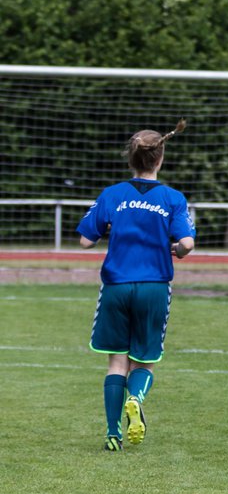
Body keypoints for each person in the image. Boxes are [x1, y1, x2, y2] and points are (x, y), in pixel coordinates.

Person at [77, 120, 195, 451]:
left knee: (116, 361)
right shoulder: (173, 198)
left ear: (131, 158)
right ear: (160, 159)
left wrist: (110, 227)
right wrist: (175, 249)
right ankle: (137, 397)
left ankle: (112, 432)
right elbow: (186, 243)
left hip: (116, 285)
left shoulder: (112, 194)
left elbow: (86, 240)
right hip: (154, 286)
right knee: (143, 361)